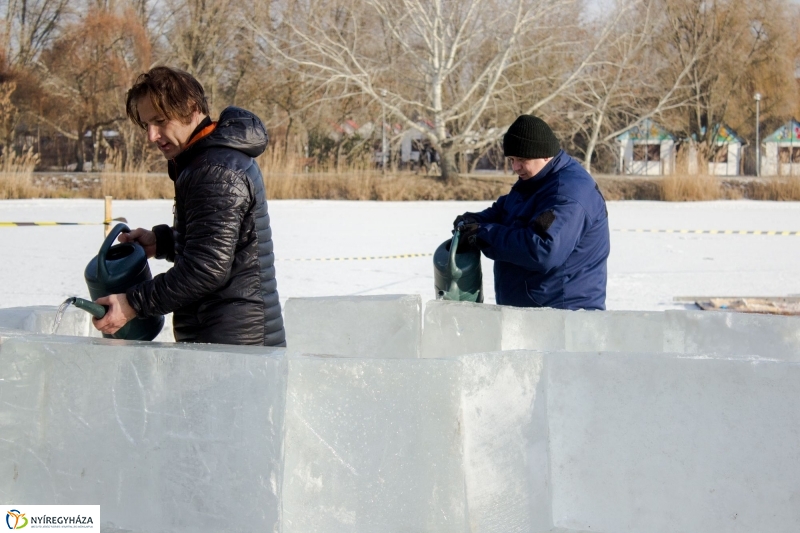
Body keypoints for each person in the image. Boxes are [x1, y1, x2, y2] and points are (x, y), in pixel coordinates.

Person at [93, 66, 286, 346]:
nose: (151, 135)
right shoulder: (209, 161)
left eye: (160, 121)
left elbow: (206, 268)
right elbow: (220, 243)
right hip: (229, 337)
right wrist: (161, 242)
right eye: (147, 124)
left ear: (192, 108)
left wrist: (133, 303)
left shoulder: (214, 171)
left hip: (232, 347)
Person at [453, 115, 609, 310]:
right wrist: (474, 221)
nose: (515, 167)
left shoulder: (567, 194)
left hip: (564, 318)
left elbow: (542, 251)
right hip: (534, 314)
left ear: (545, 154)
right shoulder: (537, 180)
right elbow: (506, 211)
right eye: (511, 159)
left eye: (522, 159)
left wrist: (483, 235)